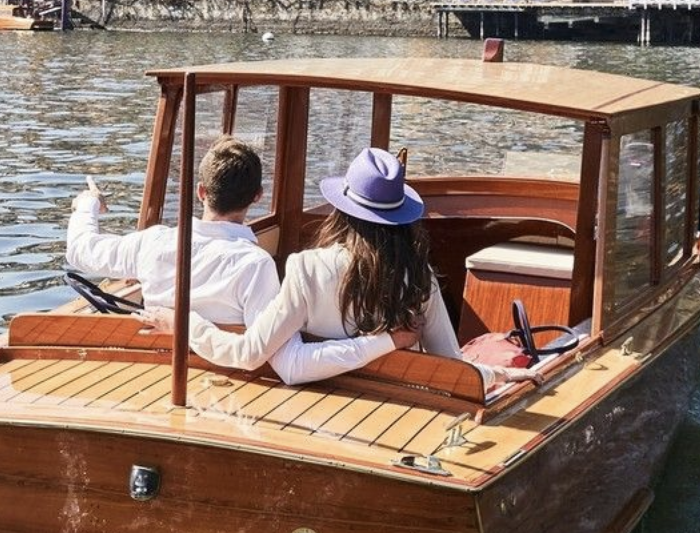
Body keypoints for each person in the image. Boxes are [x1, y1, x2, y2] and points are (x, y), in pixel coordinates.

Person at [156, 145, 494, 388]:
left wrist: (185, 324)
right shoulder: (420, 280)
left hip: (314, 406)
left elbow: (254, 355)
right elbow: (453, 371)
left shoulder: (307, 269)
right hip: (395, 408)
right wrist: (495, 374)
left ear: (342, 210)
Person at [67, 135, 280, 329]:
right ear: (258, 196)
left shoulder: (153, 242)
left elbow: (81, 251)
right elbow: (262, 344)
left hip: (152, 359)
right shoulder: (256, 265)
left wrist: (88, 203)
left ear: (200, 192)